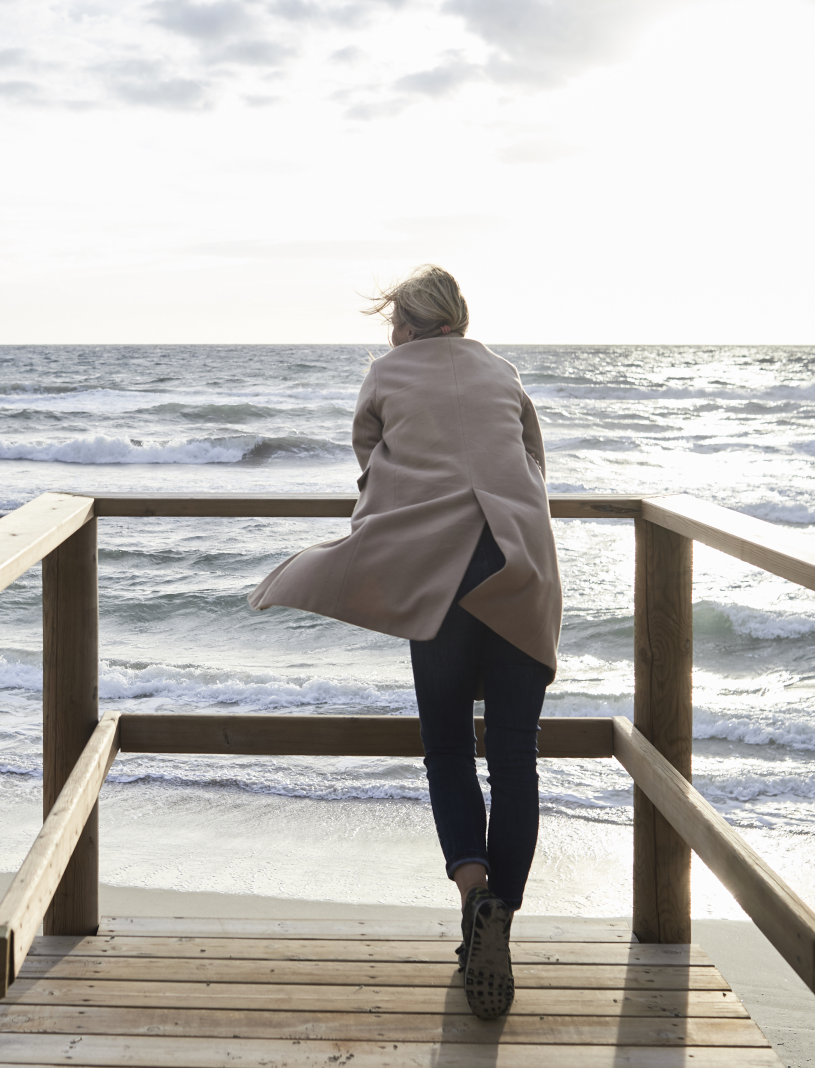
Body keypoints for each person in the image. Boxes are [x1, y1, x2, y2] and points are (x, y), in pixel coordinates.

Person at [248, 264, 562, 1021]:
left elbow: (369, 462)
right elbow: (533, 465)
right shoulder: (501, 371)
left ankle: (473, 892)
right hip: (521, 564)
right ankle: (501, 920)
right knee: (515, 754)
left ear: (405, 327)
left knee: (449, 746)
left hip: (442, 568)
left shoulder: (387, 375)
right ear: (460, 318)